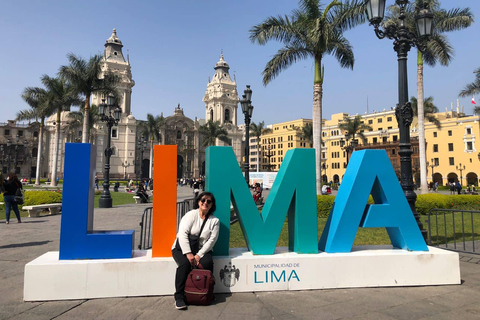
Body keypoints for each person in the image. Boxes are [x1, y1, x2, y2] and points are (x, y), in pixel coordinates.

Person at [171, 192, 220, 310]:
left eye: (209, 201)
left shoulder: (215, 221)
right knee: (184, 264)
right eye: (203, 200)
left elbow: (212, 241)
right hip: (182, 248)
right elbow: (182, 234)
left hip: (201, 250)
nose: (205, 203)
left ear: (212, 205)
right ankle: (179, 296)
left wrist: (198, 255)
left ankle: (206, 291)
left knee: (208, 263)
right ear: (198, 201)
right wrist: (188, 254)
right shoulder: (191, 215)